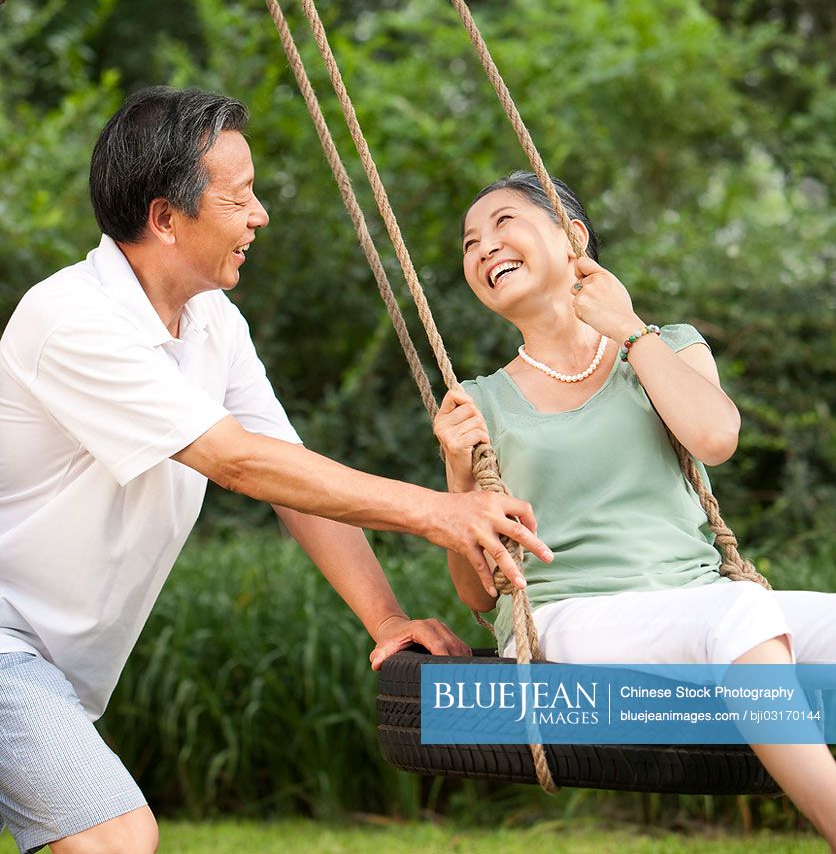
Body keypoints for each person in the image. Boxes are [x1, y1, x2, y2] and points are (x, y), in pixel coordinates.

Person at [0, 90, 553, 854]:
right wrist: (438, 510)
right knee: (114, 838)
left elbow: (289, 477)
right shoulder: (72, 320)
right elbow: (235, 460)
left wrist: (387, 620)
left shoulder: (211, 324)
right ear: (166, 218)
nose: (259, 214)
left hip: (52, 667)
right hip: (5, 644)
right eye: (240, 196)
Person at [434, 170, 836, 850]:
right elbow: (477, 591)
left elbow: (715, 438)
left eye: (505, 223)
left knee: (782, 615)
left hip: (694, 600)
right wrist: (454, 472)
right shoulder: (480, 403)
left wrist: (628, 330)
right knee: (740, 612)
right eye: (471, 241)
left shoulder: (664, 346)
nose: (484, 247)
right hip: (562, 618)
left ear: (573, 239)